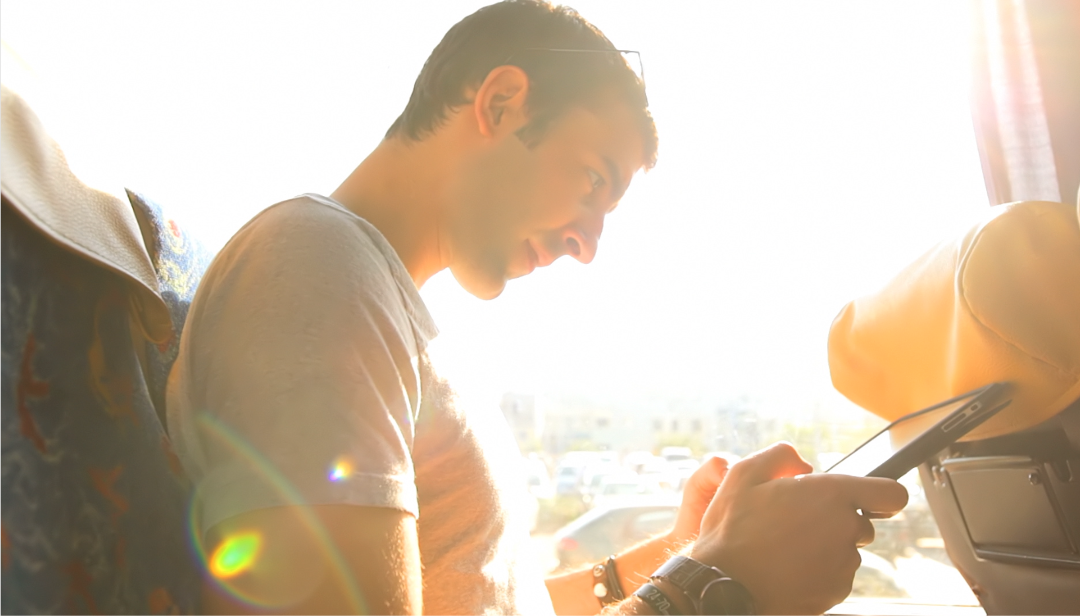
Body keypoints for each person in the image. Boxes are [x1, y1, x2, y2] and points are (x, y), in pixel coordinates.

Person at [166, 2, 908, 615]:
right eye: (591, 181)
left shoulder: (389, 312)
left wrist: (683, 549)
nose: (588, 246)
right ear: (499, 103)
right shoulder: (314, 268)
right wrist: (716, 584)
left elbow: (487, 597)